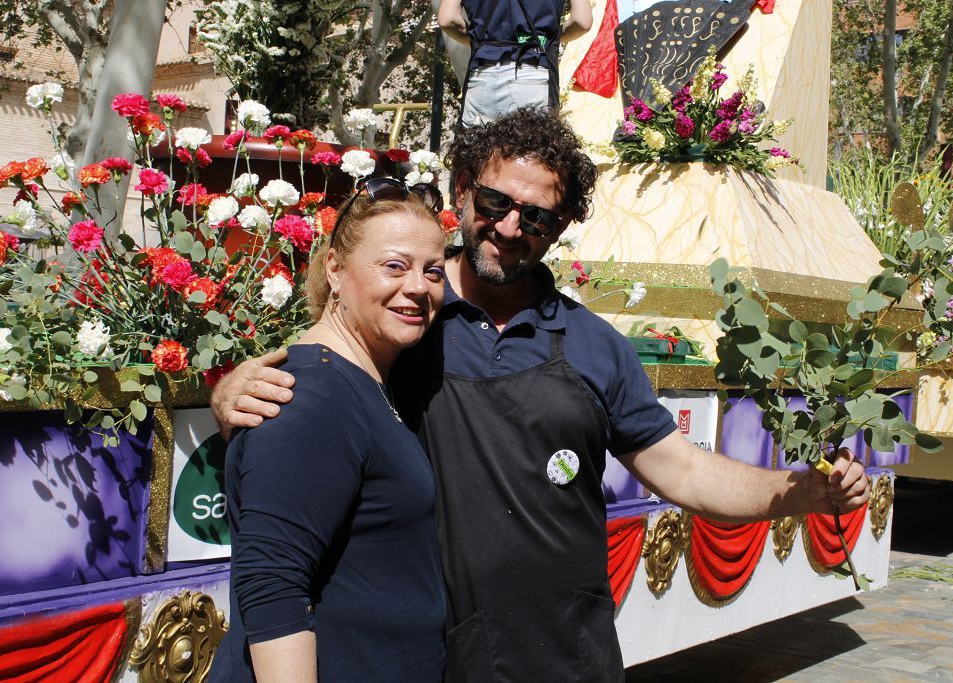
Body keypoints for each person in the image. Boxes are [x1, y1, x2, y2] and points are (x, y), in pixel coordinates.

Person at [212, 107, 871, 682]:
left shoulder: (593, 346)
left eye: (536, 215)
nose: (508, 226)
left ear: (560, 227)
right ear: (464, 192)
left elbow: (686, 469)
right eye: (495, 202)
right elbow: (332, 347)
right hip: (451, 659)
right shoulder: (413, 316)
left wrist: (797, 491)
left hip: (567, 656)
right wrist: (234, 386)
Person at [209, 180, 448, 682]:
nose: (419, 287)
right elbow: (273, 586)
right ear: (335, 271)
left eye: (433, 271)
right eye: (394, 266)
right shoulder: (313, 398)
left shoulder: (365, 381)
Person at [437, 0, 593, 127]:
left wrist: (481, 42)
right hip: (532, 74)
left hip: (482, 76)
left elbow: (447, 19)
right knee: (533, 158)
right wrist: (551, 38)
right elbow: (582, 22)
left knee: (477, 160)